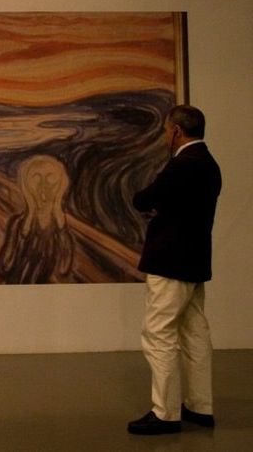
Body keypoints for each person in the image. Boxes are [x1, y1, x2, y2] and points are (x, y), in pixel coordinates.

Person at [127, 104, 222, 435]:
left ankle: (165, 413)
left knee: (158, 334)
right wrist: (162, 207)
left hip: (170, 262)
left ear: (177, 131)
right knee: (194, 333)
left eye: (167, 129)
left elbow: (144, 198)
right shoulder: (209, 164)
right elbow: (179, 206)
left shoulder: (182, 165)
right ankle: (200, 406)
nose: (165, 134)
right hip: (194, 262)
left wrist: (155, 207)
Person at [0, 155, 74, 284]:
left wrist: (61, 226)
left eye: (50, 178)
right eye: (36, 178)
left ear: (60, 186)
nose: (43, 186)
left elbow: (63, 270)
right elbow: (4, 268)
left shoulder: (61, 230)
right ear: (27, 186)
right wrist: (23, 233)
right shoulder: (17, 224)